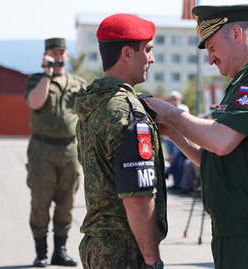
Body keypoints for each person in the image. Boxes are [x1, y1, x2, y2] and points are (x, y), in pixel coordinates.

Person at [145, 4, 248, 268]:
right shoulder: (244, 81)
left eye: (212, 47)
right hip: (237, 227)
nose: (210, 59)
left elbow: (221, 141)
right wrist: (173, 132)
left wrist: (172, 114)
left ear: (237, 33)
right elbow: (212, 156)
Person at [75, 13, 167, 269]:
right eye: (147, 50)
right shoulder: (127, 112)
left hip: (99, 246)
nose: (152, 58)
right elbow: (137, 196)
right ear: (127, 53)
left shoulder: (94, 104)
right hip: (125, 252)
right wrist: (152, 261)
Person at [24, 37, 87, 267]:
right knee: (40, 202)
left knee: (66, 201)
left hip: (69, 149)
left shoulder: (78, 83)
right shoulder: (36, 80)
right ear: (45, 54)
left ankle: (59, 251)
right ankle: (41, 252)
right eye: (53, 52)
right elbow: (36, 103)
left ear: (67, 55)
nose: (57, 56)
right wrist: (47, 74)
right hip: (42, 149)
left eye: (61, 52)